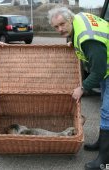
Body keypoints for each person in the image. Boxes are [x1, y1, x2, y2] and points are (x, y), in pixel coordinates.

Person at [48, 7, 109, 170]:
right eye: (56, 27)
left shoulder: (87, 39)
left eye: (62, 24)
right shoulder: (78, 20)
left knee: (107, 112)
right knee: (106, 107)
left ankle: (104, 161)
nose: (60, 29)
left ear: (70, 19)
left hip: (105, 70)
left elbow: (99, 71)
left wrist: (82, 88)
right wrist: (73, 40)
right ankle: (101, 144)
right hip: (106, 69)